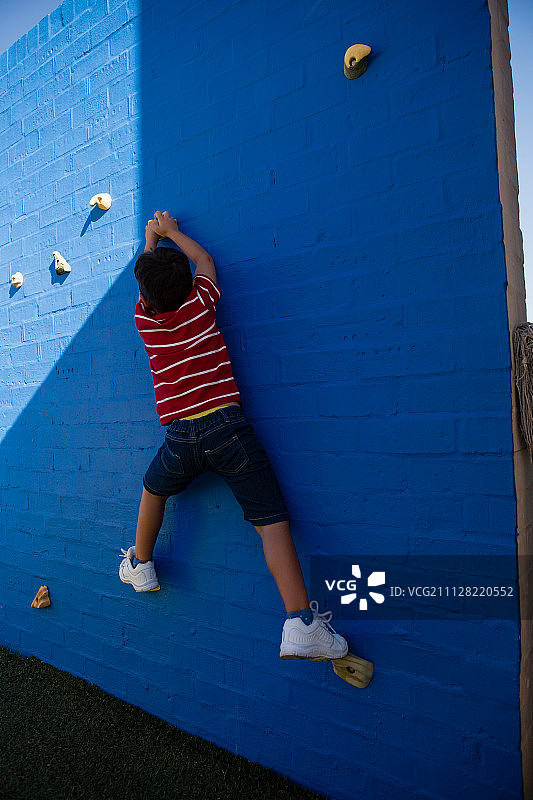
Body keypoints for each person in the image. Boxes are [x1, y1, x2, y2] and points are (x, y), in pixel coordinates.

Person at [118, 211, 348, 660]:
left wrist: (149, 241)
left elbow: (145, 289)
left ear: (146, 296)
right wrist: (172, 233)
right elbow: (205, 261)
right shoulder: (201, 303)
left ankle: (140, 564)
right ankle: (300, 623)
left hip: (181, 438)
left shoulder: (146, 323)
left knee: (153, 488)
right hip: (228, 428)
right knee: (271, 522)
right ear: (188, 285)